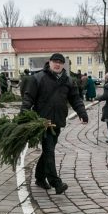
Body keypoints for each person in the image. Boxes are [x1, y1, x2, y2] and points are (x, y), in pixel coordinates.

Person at [21, 53, 89, 195]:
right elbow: (28, 98)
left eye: (60, 62)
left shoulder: (68, 80)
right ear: (49, 63)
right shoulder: (38, 78)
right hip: (42, 122)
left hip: (58, 121)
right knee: (49, 150)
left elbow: (75, 99)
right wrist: (23, 114)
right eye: (54, 62)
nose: (57, 64)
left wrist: (82, 113)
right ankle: (55, 182)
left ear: (63, 65)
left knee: (47, 151)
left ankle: (40, 177)